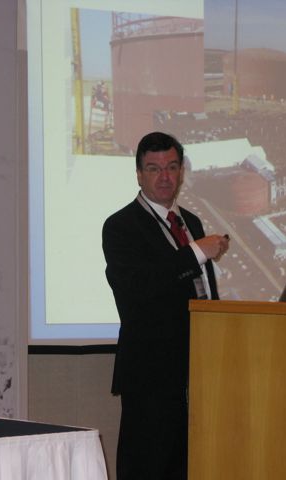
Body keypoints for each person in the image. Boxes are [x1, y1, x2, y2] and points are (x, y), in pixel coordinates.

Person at [102, 131, 230, 479]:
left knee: (190, 466)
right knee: (149, 467)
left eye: (172, 167)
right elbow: (139, 288)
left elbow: (203, 292)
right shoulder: (121, 226)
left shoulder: (192, 222)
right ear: (139, 174)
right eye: (154, 168)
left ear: (181, 172)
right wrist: (196, 251)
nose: (165, 177)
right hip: (151, 374)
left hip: (198, 368)